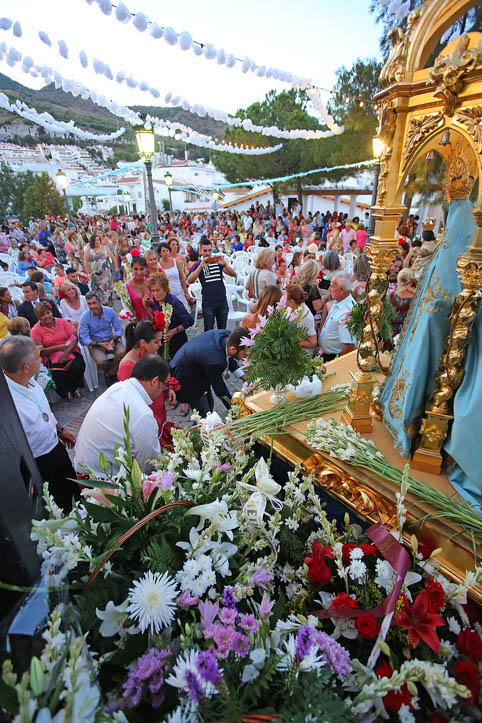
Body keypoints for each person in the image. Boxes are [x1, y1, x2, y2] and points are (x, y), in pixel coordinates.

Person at [0, 335, 80, 512]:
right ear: (26, 367)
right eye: (38, 357)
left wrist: (59, 429)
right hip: (39, 462)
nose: (41, 359)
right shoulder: (8, 405)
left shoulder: (30, 380)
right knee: (58, 504)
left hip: (55, 446)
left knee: (73, 492)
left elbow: (44, 410)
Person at [74, 355, 168, 477]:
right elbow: (149, 465)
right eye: (164, 385)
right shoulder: (143, 413)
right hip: (102, 480)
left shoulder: (118, 387)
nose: (162, 390)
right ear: (155, 381)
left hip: (83, 467)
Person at [118, 321, 176, 445]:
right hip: (148, 418)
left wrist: (168, 388)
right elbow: (129, 401)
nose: (160, 344)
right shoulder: (127, 366)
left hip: (158, 412)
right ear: (143, 342)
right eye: (156, 342)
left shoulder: (150, 354)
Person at [170, 327, 249, 416]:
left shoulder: (229, 337)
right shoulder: (215, 361)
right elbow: (220, 390)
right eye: (245, 354)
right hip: (187, 381)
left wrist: (244, 377)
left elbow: (229, 357)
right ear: (233, 349)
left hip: (199, 369)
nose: (245, 357)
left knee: (209, 405)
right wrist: (236, 411)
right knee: (204, 416)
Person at [30, 302, 85, 401]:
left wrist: (66, 353)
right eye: (43, 315)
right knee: (58, 373)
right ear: (38, 317)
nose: (47, 316)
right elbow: (41, 351)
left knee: (77, 365)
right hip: (50, 356)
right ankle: (65, 392)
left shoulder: (62, 322)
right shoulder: (35, 330)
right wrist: (58, 348)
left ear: (51, 311)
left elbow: (74, 337)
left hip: (69, 350)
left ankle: (74, 388)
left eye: (48, 312)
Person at [187, 236, 237, 331]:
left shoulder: (217, 262)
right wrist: (200, 267)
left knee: (222, 329)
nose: (208, 253)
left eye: (209, 250)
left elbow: (233, 274)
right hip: (208, 302)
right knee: (208, 330)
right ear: (200, 251)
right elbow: (189, 280)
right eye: (205, 250)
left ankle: (221, 346)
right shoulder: (198, 265)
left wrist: (225, 264)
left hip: (221, 300)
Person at [78, 291, 125, 383]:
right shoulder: (85, 317)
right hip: (96, 344)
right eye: (89, 304)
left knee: (122, 352)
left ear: (100, 302)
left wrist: (113, 339)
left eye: (94, 303)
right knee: (101, 361)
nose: (92, 306)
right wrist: (99, 344)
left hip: (111, 340)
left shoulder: (109, 311)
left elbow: (119, 328)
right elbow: (83, 337)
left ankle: (110, 372)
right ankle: (108, 371)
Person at [146, 273, 194, 359]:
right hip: (163, 344)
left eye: (158, 290)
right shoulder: (156, 301)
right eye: (153, 291)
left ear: (165, 288)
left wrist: (173, 332)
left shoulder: (174, 302)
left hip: (177, 343)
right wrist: (146, 307)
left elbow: (189, 320)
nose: (155, 293)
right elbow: (155, 319)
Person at [318, 272, 356, 361]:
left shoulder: (348, 310)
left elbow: (349, 345)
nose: (329, 289)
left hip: (335, 358)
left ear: (342, 289)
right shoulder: (338, 301)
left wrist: (338, 363)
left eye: (332, 286)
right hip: (327, 355)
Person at [84, 232, 117, 306]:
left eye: (98, 240)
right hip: (96, 274)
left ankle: (109, 303)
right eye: (95, 241)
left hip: (106, 272)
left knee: (108, 288)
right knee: (99, 290)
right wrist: (88, 272)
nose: (97, 242)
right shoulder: (89, 250)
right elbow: (86, 261)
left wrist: (116, 266)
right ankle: (101, 304)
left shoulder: (105, 248)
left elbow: (112, 256)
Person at [285, 284, 317, 357]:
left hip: (302, 356)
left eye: (284, 298)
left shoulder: (306, 316)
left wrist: (291, 341)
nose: (281, 300)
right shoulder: (290, 308)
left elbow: (313, 342)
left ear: (292, 301)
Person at [386, 268, 416, 348]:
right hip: (405, 334)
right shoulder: (415, 298)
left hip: (389, 334)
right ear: (411, 280)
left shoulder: (392, 295)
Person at [158, 243, 191, 311]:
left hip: (179, 291)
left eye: (167, 250)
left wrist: (185, 291)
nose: (166, 253)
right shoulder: (158, 266)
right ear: (160, 253)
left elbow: (181, 277)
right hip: (168, 294)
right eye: (163, 251)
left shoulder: (175, 262)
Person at [125, 256, 152, 321]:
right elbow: (127, 310)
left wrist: (151, 302)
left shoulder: (151, 284)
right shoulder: (126, 287)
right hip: (137, 325)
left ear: (146, 269)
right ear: (131, 269)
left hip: (155, 323)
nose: (139, 272)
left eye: (142, 269)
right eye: (136, 269)